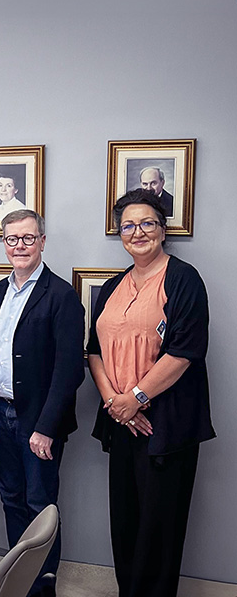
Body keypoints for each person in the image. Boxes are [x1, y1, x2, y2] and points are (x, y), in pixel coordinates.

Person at [87, 189, 214, 597]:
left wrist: (136, 398)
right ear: (119, 233)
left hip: (166, 425)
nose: (137, 231)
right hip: (121, 422)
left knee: (159, 530)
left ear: (163, 230)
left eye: (147, 223)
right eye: (128, 225)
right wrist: (116, 403)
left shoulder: (183, 279)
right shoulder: (112, 286)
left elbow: (185, 352)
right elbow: (93, 351)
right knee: (125, 522)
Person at [0, 209, 85, 597]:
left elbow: (70, 370)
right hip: (3, 413)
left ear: (42, 240)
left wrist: (45, 427)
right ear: (3, 244)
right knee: (10, 498)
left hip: (37, 421)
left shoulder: (61, 295)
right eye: (11, 239)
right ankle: (17, 580)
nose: (19, 246)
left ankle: (42, 587)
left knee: (41, 505)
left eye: (27, 238)